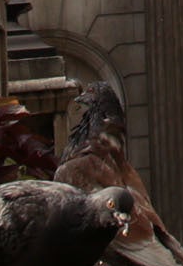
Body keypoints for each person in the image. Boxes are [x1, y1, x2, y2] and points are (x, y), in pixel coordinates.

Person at [54, 81, 170, 245]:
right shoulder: (118, 166)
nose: (83, 97)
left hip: (132, 247)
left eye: (91, 92)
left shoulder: (80, 167)